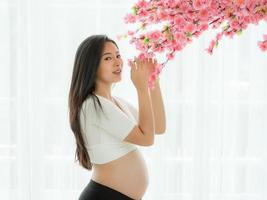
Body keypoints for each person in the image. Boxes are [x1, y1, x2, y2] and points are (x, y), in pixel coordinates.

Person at [68, 34, 166, 200]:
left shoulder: (116, 102)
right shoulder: (93, 105)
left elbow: (159, 127)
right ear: (91, 66)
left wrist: (152, 83)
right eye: (108, 58)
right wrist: (141, 88)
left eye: (118, 56)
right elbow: (146, 139)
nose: (117, 62)